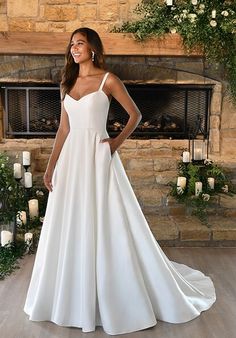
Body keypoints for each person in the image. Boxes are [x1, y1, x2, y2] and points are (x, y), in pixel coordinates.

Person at [24, 27, 216, 335]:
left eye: (80, 43)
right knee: (71, 221)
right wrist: (50, 168)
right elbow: (63, 130)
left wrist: (115, 143)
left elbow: (136, 115)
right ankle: (70, 296)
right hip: (71, 161)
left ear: (93, 49)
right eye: (72, 44)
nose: (74, 48)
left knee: (104, 219)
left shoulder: (108, 79)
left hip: (97, 157)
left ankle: (114, 293)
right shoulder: (68, 83)